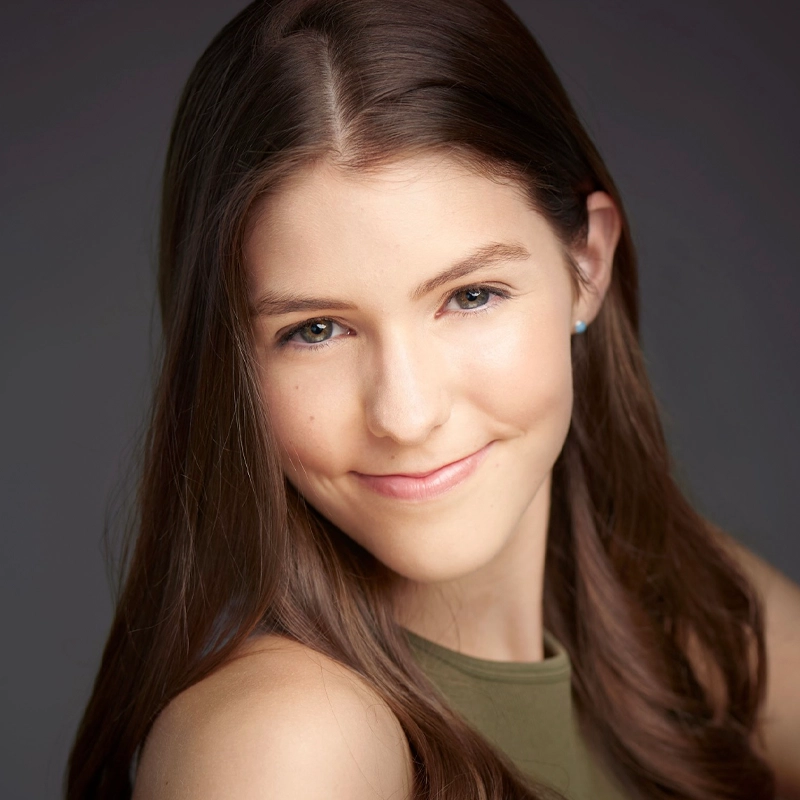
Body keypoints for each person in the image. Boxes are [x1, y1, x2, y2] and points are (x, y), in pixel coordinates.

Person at [65, 1, 800, 798]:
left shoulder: (697, 624)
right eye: (316, 329)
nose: (407, 416)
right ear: (229, 359)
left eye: (471, 295)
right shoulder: (285, 743)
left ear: (586, 264)